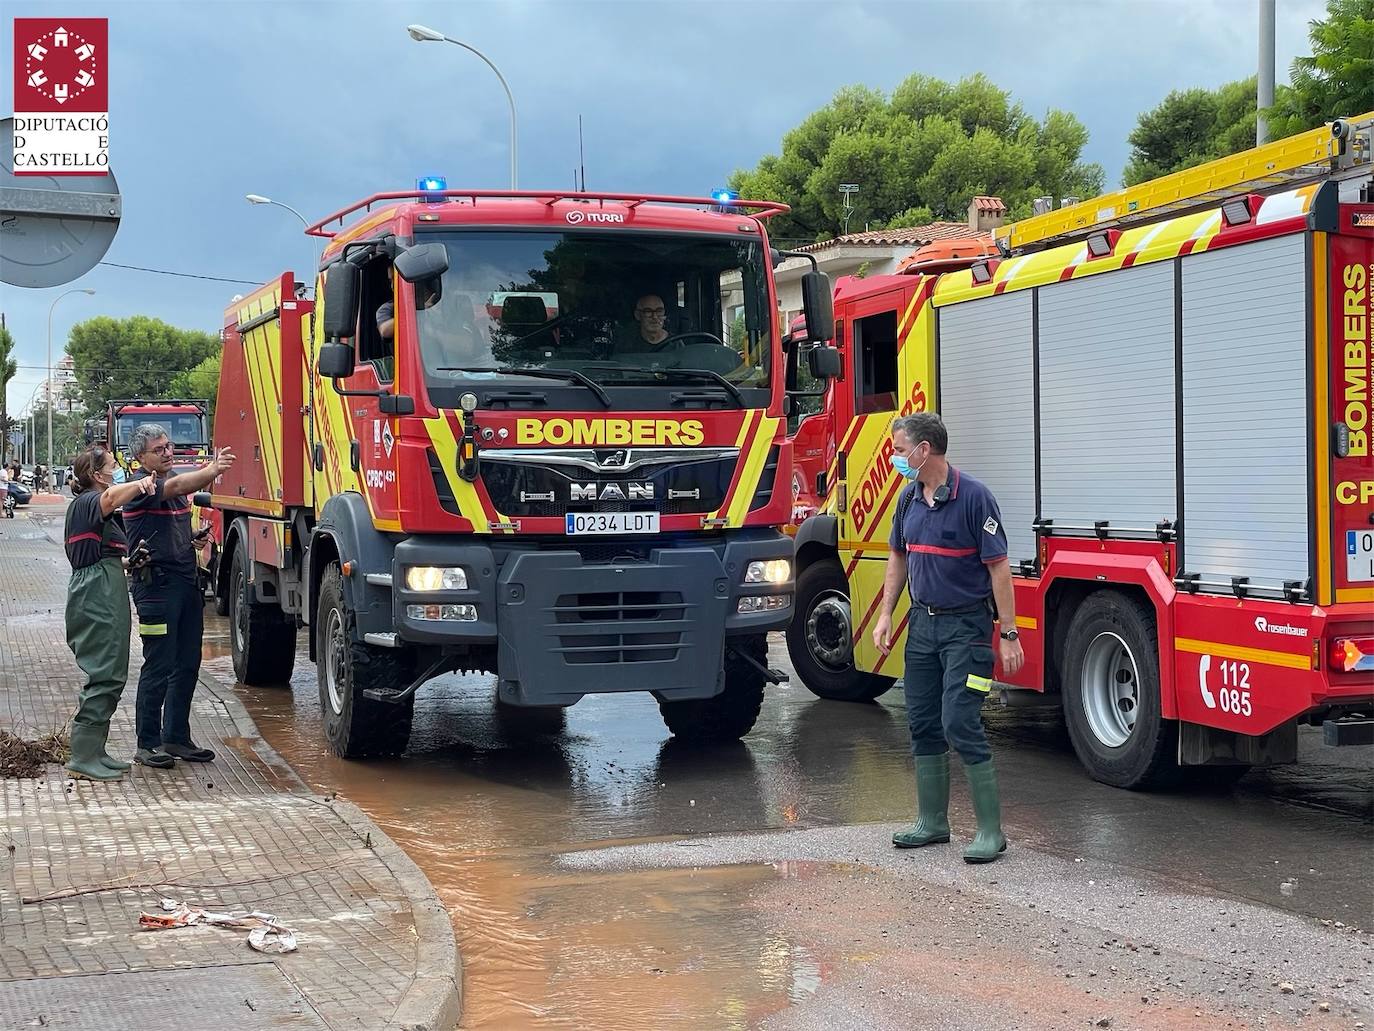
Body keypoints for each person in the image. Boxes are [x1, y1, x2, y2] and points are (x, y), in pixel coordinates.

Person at [873, 412, 1024, 865]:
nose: (895, 458)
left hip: (967, 630)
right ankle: (933, 823)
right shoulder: (907, 501)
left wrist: (1009, 633)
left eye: (900, 451)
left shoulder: (975, 498)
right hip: (923, 627)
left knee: (960, 720)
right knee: (921, 721)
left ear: (924, 450)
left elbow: (999, 569)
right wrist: (885, 615)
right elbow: (898, 559)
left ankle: (990, 832)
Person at [122, 424, 236, 768]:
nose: (168, 452)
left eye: (169, 446)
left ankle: (176, 738)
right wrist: (211, 470)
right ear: (141, 457)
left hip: (185, 583)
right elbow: (174, 485)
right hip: (156, 588)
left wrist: (191, 539)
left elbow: (172, 516)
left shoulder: (172, 487)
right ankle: (147, 743)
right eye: (159, 449)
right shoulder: (141, 485)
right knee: (159, 662)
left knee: (187, 663)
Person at [61, 446, 158, 780]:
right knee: (104, 669)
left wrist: (129, 563)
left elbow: (100, 549)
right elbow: (111, 498)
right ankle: (82, 756)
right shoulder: (88, 502)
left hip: (106, 583)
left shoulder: (94, 508)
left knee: (113, 669)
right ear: (95, 474)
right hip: (96, 592)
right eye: (113, 467)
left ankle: (96, 750)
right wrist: (140, 484)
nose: (117, 471)